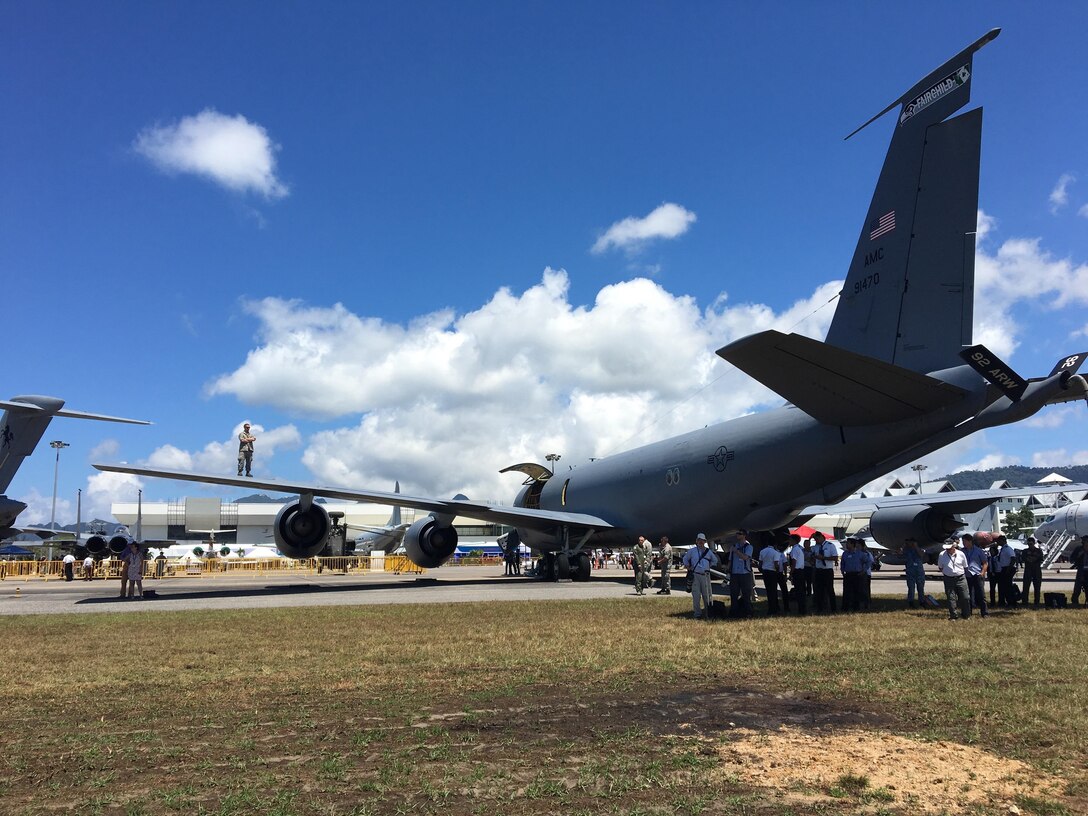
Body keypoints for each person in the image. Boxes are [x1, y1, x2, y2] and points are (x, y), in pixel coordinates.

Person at [681, 533, 719, 619]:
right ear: (696, 541)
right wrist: (688, 567)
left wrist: (709, 566)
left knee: (706, 595)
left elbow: (715, 560)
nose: (701, 542)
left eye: (702, 541)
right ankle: (697, 614)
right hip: (695, 575)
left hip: (705, 575)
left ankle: (707, 612)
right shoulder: (692, 551)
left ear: (705, 542)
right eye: (699, 540)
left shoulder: (708, 552)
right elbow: (685, 559)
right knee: (696, 595)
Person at [938, 540, 971, 620]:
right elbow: (940, 567)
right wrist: (948, 573)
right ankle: (953, 615)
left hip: (961, 578)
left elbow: (965, 566)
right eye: (946, 549)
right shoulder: (942, 555)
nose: (947, 550)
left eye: (949, 548)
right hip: (948, 578)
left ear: (954, 546)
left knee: (965, 597)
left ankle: (966, 615)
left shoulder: (961, 554)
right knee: (951, 598)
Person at [961, 533, 989, 618]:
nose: (963, 543)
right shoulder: (962, 552)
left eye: (965, 541)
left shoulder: (978, 551)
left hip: (977, 575)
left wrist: (982, 573)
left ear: (970, 541)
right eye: (963, 541)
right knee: (967, 596)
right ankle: (968, 613)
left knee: (981, 595)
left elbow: (985, 563)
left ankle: (984, 613)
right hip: (967, 575)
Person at [728, 529, 754, 618]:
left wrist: (736, 551)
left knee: (746, 593)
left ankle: (748, 612)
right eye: (737, 533)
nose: (737, 535)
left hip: (745, 573)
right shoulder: (734, 546)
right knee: (734, 593)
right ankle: (734, 612)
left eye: (739, 534)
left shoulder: (748, 547)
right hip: (735, 573)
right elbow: (730, 559)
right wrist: (728, 569)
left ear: (744, 535)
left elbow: (745, 557)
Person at [812, 532, 838, 614]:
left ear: (822, 537)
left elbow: (835, 557)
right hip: (819, 570)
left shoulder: (830, 545)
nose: (816, 541)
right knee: (819, 590)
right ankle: (820, 607)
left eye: (817, 539)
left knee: (830, 589)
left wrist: (824, 558)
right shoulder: (816, 547)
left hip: (827, 570)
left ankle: (833, 608)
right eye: (815, 539)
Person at [757, 539, 784, 615]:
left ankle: (770, 608)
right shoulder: (776, 553)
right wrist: (778, 571)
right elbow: (776, 564)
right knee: (773, 590)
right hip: (772, 572)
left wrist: (762, 570)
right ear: (775, 545)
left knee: (768, 590)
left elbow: (760, 564)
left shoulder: (762, 551)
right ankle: (774, 608)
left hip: (765, 572)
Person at [839, 538, 863, 612]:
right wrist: (842, 570)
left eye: (848, 543)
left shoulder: (859, 553)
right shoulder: (845, 553)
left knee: (856, 591)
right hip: (848, 575)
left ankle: (856, 607)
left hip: (856, 574)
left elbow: (868, 561)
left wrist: (863, 570)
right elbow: (842, 562)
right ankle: (845, 607)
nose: (846, 545)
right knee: (846, 591)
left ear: (852, 544)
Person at [1020, 536, 1043, 607]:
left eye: (1031, 544)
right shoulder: (1025, 551)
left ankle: (1037, 601)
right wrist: (1030, 559)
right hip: (1028, 570)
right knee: (1026, 586)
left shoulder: (1039, 551)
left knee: (1037, 587)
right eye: (1029, 544)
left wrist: (1031, 559)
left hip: (1036, 570)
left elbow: (1040, 559)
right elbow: (1023, 558)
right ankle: (1025, 601)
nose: (1030, 545)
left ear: (1034, 543)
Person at [902, 538, 926, 607]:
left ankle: (922, 601)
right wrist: (904, 545)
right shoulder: (906, 550)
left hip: (919, 571)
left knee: (920, 587)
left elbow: (921, 555)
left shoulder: (920, 549)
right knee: (911, 587)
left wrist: (916, 546)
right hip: (910, 571)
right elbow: (899, 553)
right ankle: (911, 601)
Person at [996, 535, 1017, 608]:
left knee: (1008, 586)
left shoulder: (1008, 549)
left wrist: (1009, 569)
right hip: (1003, 568)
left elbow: (1013, 558)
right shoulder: (1002, 549)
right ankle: (1006, 601)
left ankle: (1011, 601)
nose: (998, 542)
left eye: (999, 541)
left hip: (1008, 568)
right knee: (1004, 586)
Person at [788, 534, 806, 615]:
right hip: (801, 571)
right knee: (801, 590)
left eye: (790, 540)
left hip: (797, 572)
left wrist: (791, 572)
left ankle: (801, 609)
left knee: (799, 591)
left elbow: (794, 562)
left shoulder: (794, 550)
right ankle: (802, 608)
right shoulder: (799, 549)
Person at [1071, 535, 1088, 606]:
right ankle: (1074, 600)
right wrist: (1079, 555)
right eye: (1084, 541)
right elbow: (1072, 559)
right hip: (1081, 570)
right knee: (1077, 587)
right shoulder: (1078, 549)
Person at [987, 542, 1001, 606]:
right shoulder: (989, 558)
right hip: (991, 574)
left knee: (1000, 588)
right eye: (990, 551)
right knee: (992, 588)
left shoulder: (998, 558)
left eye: (993, 551)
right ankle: (992, 601)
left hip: (998, 573)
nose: (991, 552)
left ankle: (1001, 600)